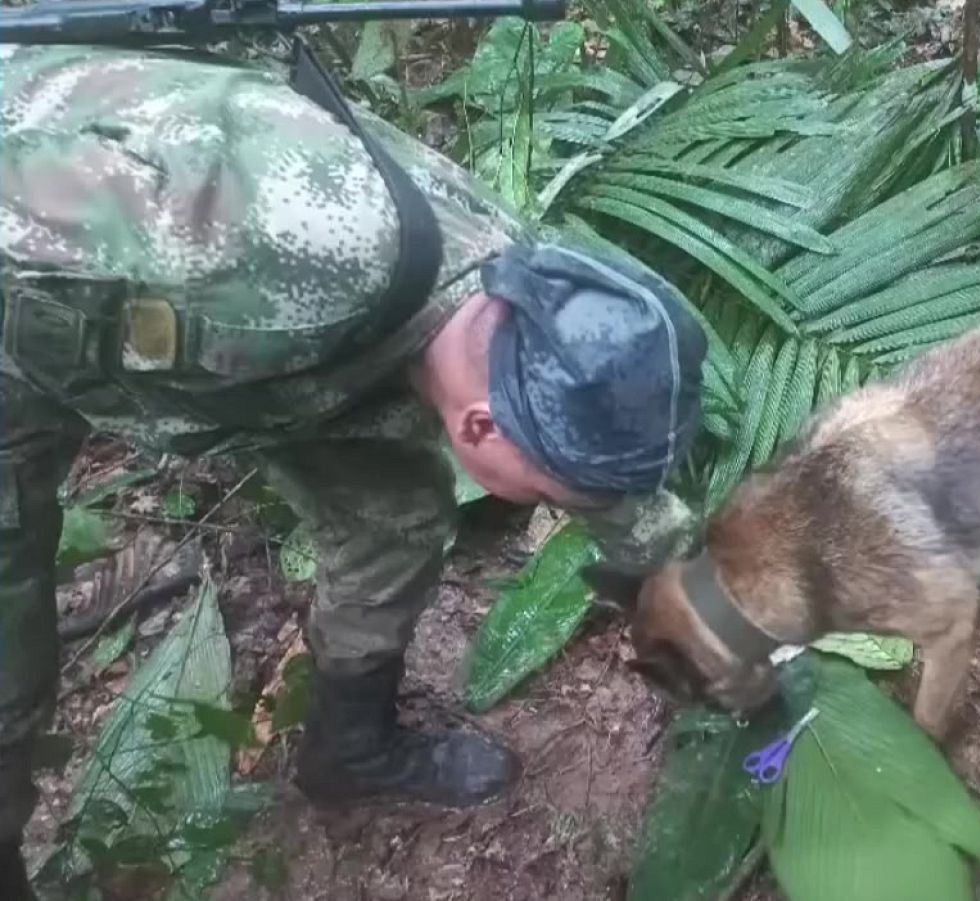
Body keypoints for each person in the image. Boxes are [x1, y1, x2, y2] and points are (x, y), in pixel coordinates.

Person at [0, 39, 706, 898]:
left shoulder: (526, 296)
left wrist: (709, 601)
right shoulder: (256, 250)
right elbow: (40, 179)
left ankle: (349, 748)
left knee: (394, 519)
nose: (565, 506)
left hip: (264, 367)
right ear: (481, 425)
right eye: (553, 495)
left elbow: (609, 475)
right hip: (31, 317)